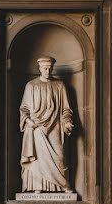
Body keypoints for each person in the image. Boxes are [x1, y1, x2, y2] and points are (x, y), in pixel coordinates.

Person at [19, 56, 75, 193]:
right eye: (45, 68)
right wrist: (27, 120)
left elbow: (66, 109)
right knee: (37, 159)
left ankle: (63, 185)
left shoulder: (59, 85)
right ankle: (37, 186)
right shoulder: (31, 85)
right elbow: (24, 108)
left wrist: (67, 121)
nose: (48, 71)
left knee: (59, 157)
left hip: (55, 126)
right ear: (39, 68)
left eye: (50, 68)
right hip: (36, 128)